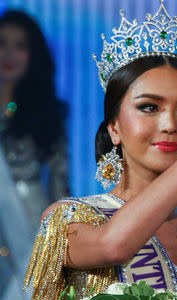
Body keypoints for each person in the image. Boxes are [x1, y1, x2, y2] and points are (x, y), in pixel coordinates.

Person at [24, 3, 177, 299]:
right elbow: (114, 246)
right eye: (149, 107)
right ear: (114, 127)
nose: (169, 124)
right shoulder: (72, 219)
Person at [0, 10, 69, 299]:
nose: (9, 54)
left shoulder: (48, 113)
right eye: (2, 43)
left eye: (20, 46)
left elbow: (59, 180)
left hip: (27, 222)